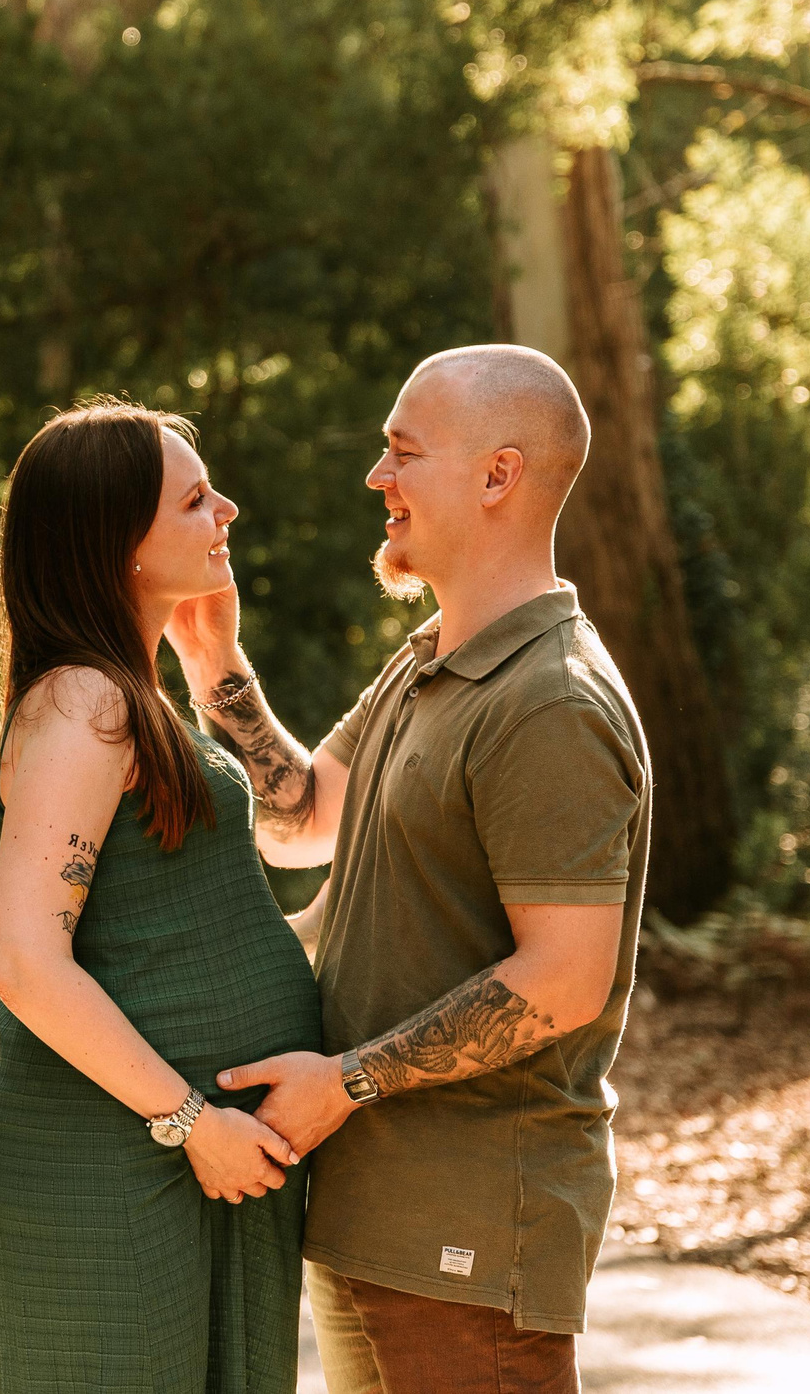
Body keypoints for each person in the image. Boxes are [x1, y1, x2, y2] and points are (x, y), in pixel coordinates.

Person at [166, 345, 653, 1394]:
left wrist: (345, 1083)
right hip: (374, 1215)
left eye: (401, 453)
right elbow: (300, 823)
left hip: (467, 1227)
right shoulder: (432, 660)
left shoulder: (550, 703)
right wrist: (212, 661)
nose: (376, 480)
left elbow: (564, 978)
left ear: (496, 476)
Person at [0, 399, 324, 1394]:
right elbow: (22, 957)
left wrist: (217, 663)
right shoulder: (85, 704)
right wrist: (187, 1121)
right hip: (109, 1164)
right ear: (117, 541)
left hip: (195, 1154)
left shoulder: (137, 696)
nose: (229, 512)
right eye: (197, 500)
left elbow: (307, 825)